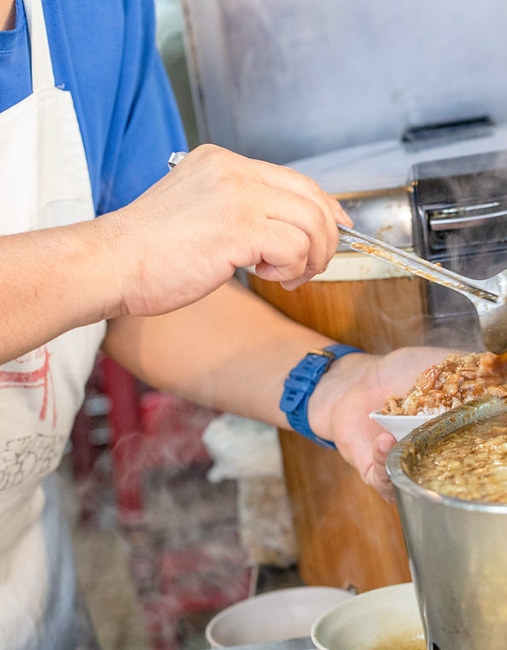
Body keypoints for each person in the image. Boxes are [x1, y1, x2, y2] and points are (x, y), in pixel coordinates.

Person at [0, 0, 454, 647]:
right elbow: (125, 261)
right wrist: (121, 251)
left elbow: (136, 300)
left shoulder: (92, 13)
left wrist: (336, 387)